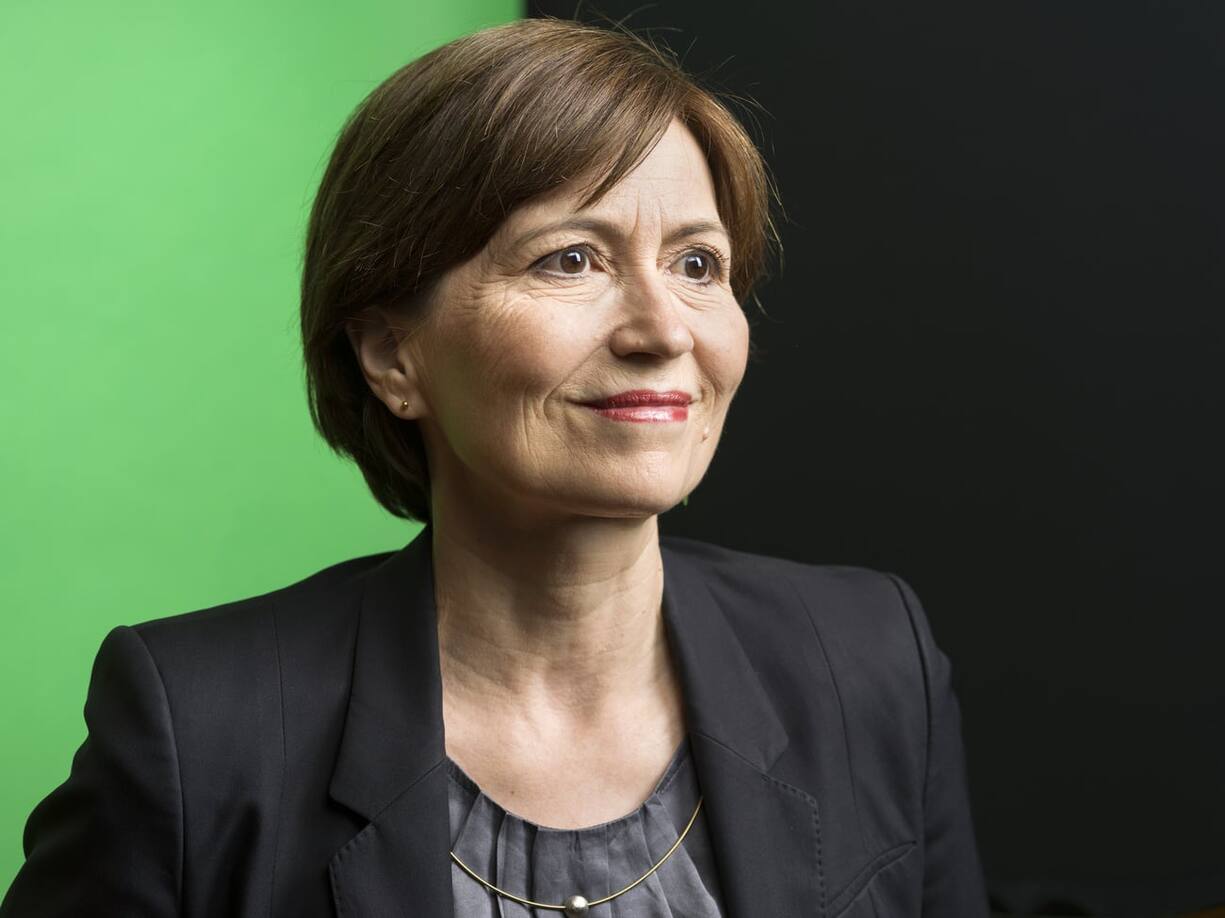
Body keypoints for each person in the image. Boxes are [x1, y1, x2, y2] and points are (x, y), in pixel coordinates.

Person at [0, 17, 989, 918]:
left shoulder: (871, 662)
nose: (661, 330)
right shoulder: (197, 730)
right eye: (569, 259)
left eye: (697, 263)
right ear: (392, 354)